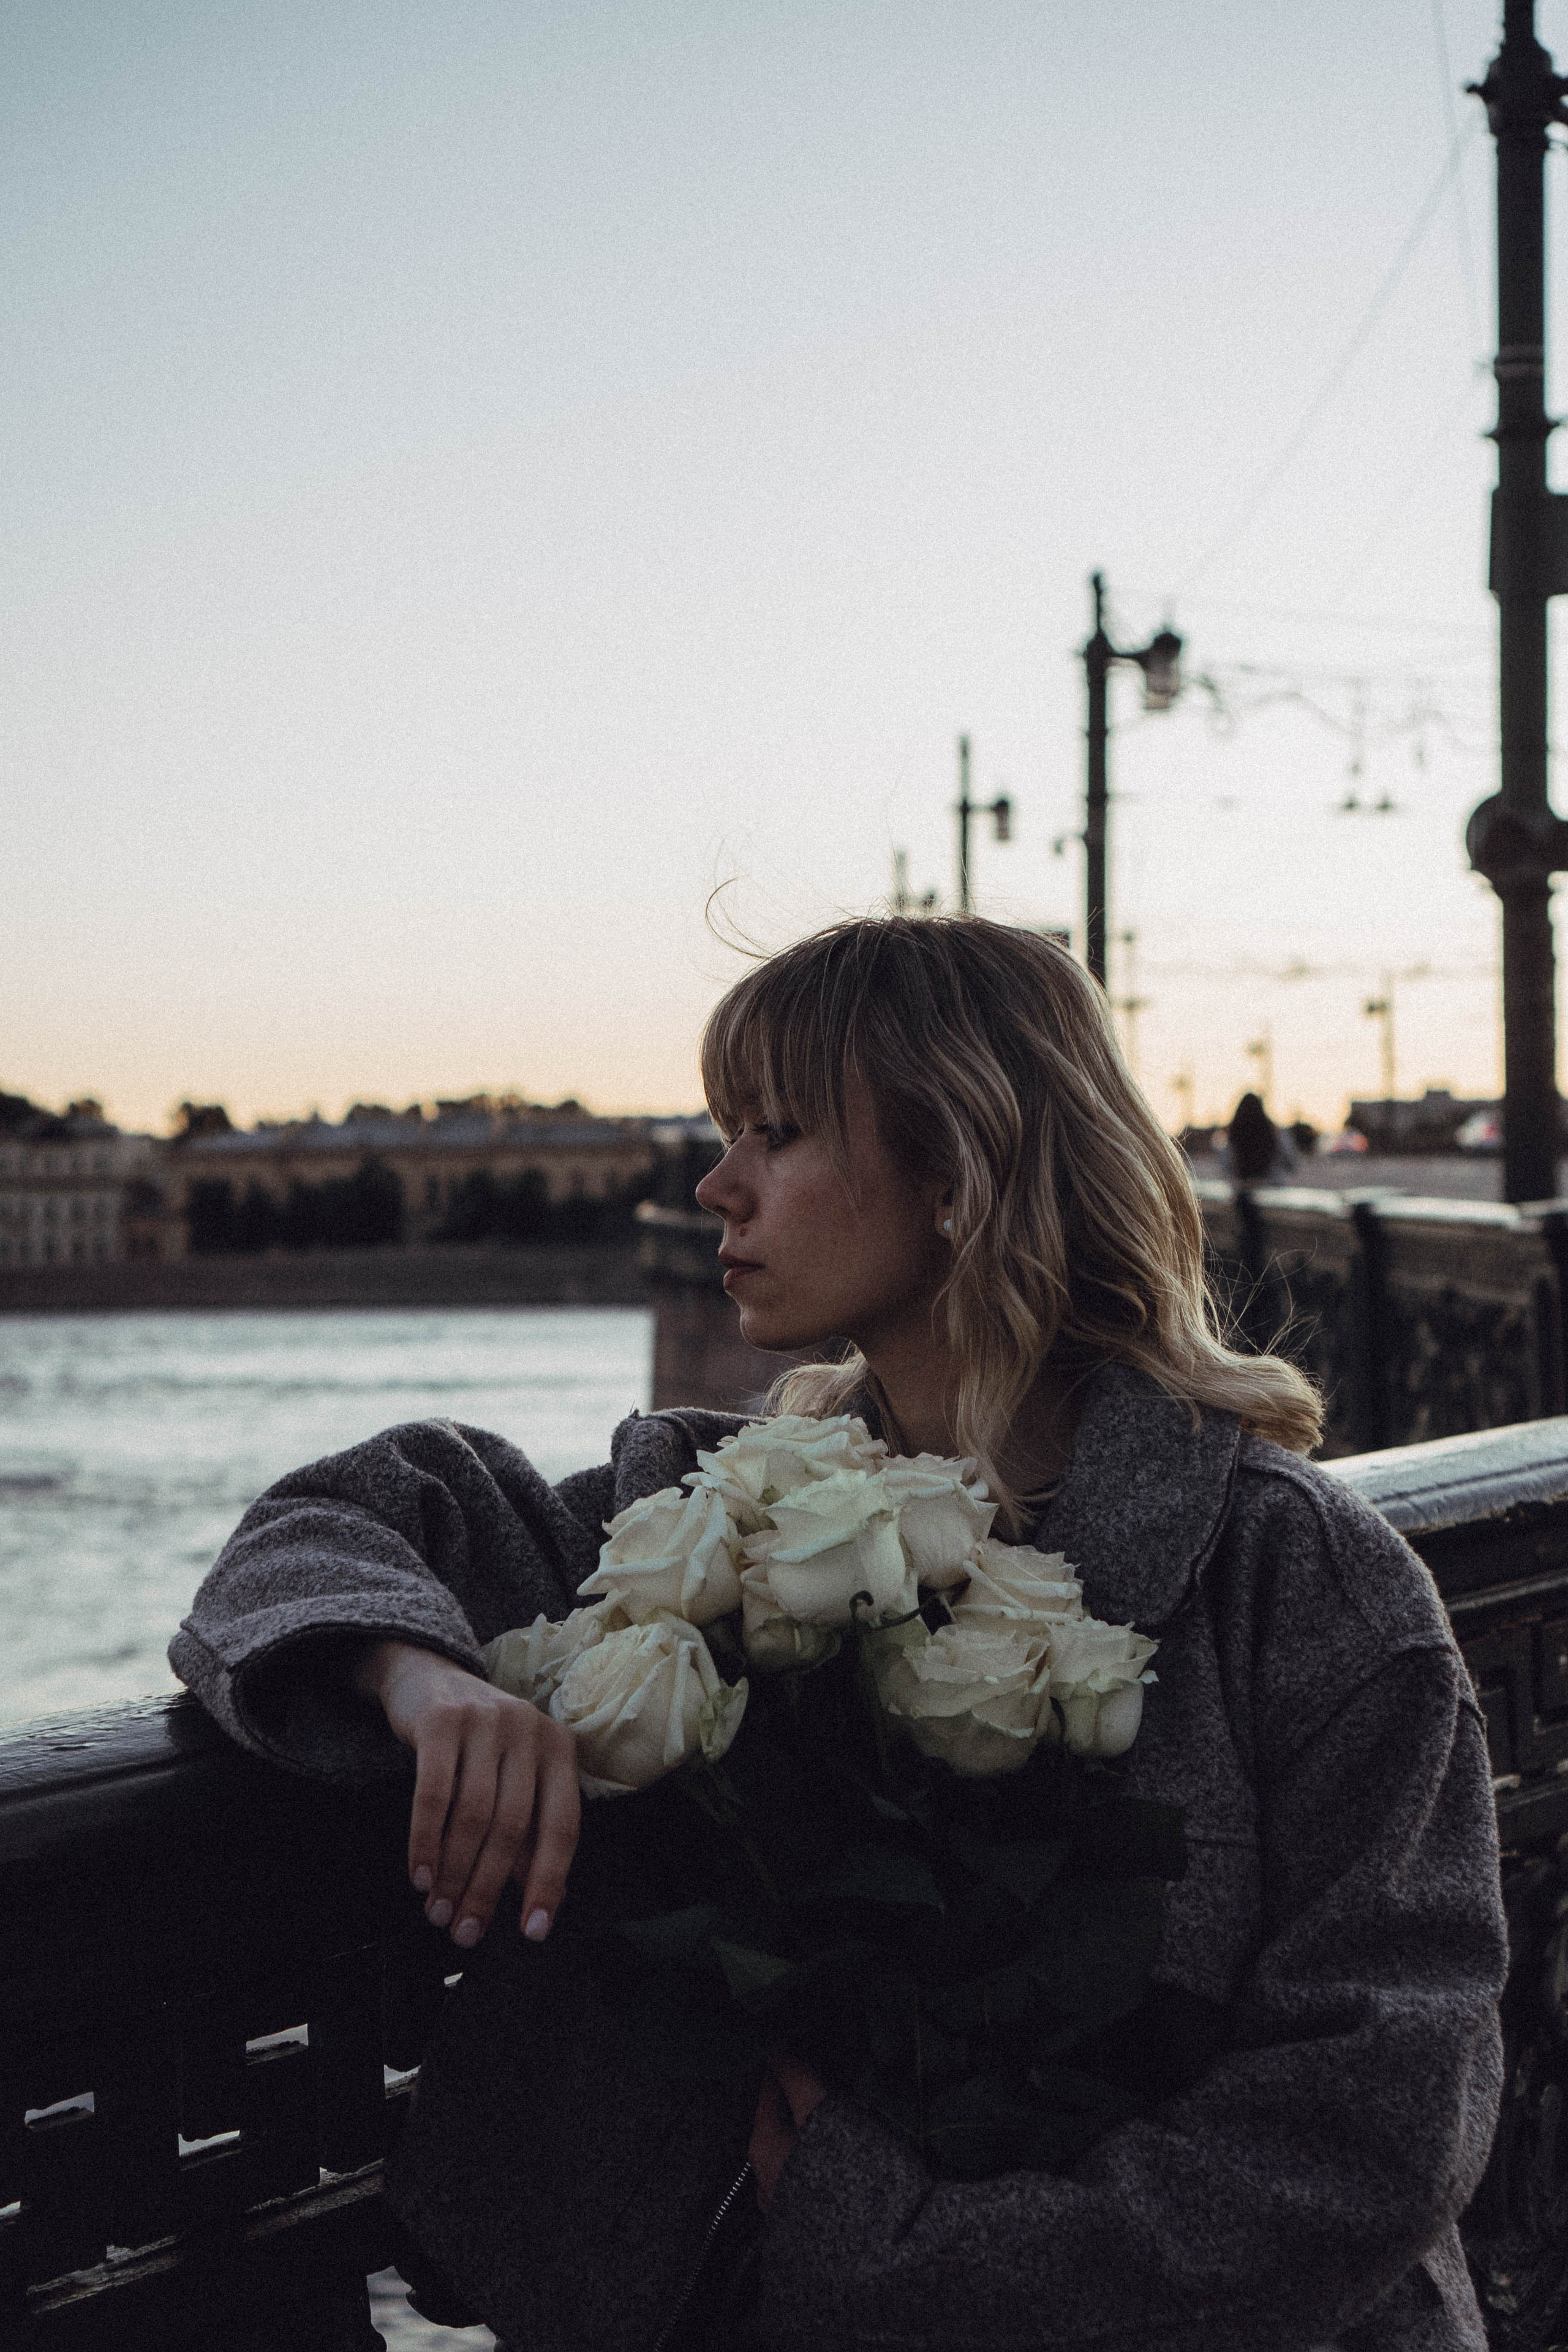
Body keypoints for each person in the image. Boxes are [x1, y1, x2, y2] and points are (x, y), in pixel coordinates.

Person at [172, 916, 1506, 2352]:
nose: (714, 1185)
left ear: (956, 1175)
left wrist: (902, 2254)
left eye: (779, 1133)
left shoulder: (1294, 1579)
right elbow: (326, 1527)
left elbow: (1381, 2117)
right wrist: (417, 1677)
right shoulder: (699, 1512)